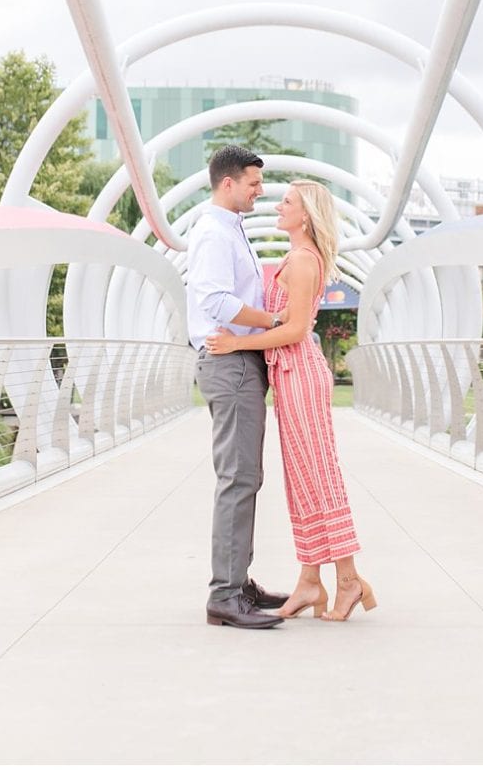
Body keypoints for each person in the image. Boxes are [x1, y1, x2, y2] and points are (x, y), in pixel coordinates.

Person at [206, 180, 374, 622]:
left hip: (300, 373)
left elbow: (296, 330)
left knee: (319, 478)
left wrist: (237, 345)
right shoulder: (297, 257)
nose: (277, 206)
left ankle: (350, 579)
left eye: (287, 202)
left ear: (306, 215)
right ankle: (310, 582)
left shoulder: (302, 261)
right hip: (290, 375)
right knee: (302, 481)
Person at [186, 145, 290, 630]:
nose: (260, 190)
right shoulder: (212, 232)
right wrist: (272, 319)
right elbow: (215, 300)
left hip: (240, 362)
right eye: (253, 183)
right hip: (230, 365)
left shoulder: (229, 230)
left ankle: (237, 581)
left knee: (246, 476)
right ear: (228, 183)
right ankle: (224, 595)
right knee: (237, 478)